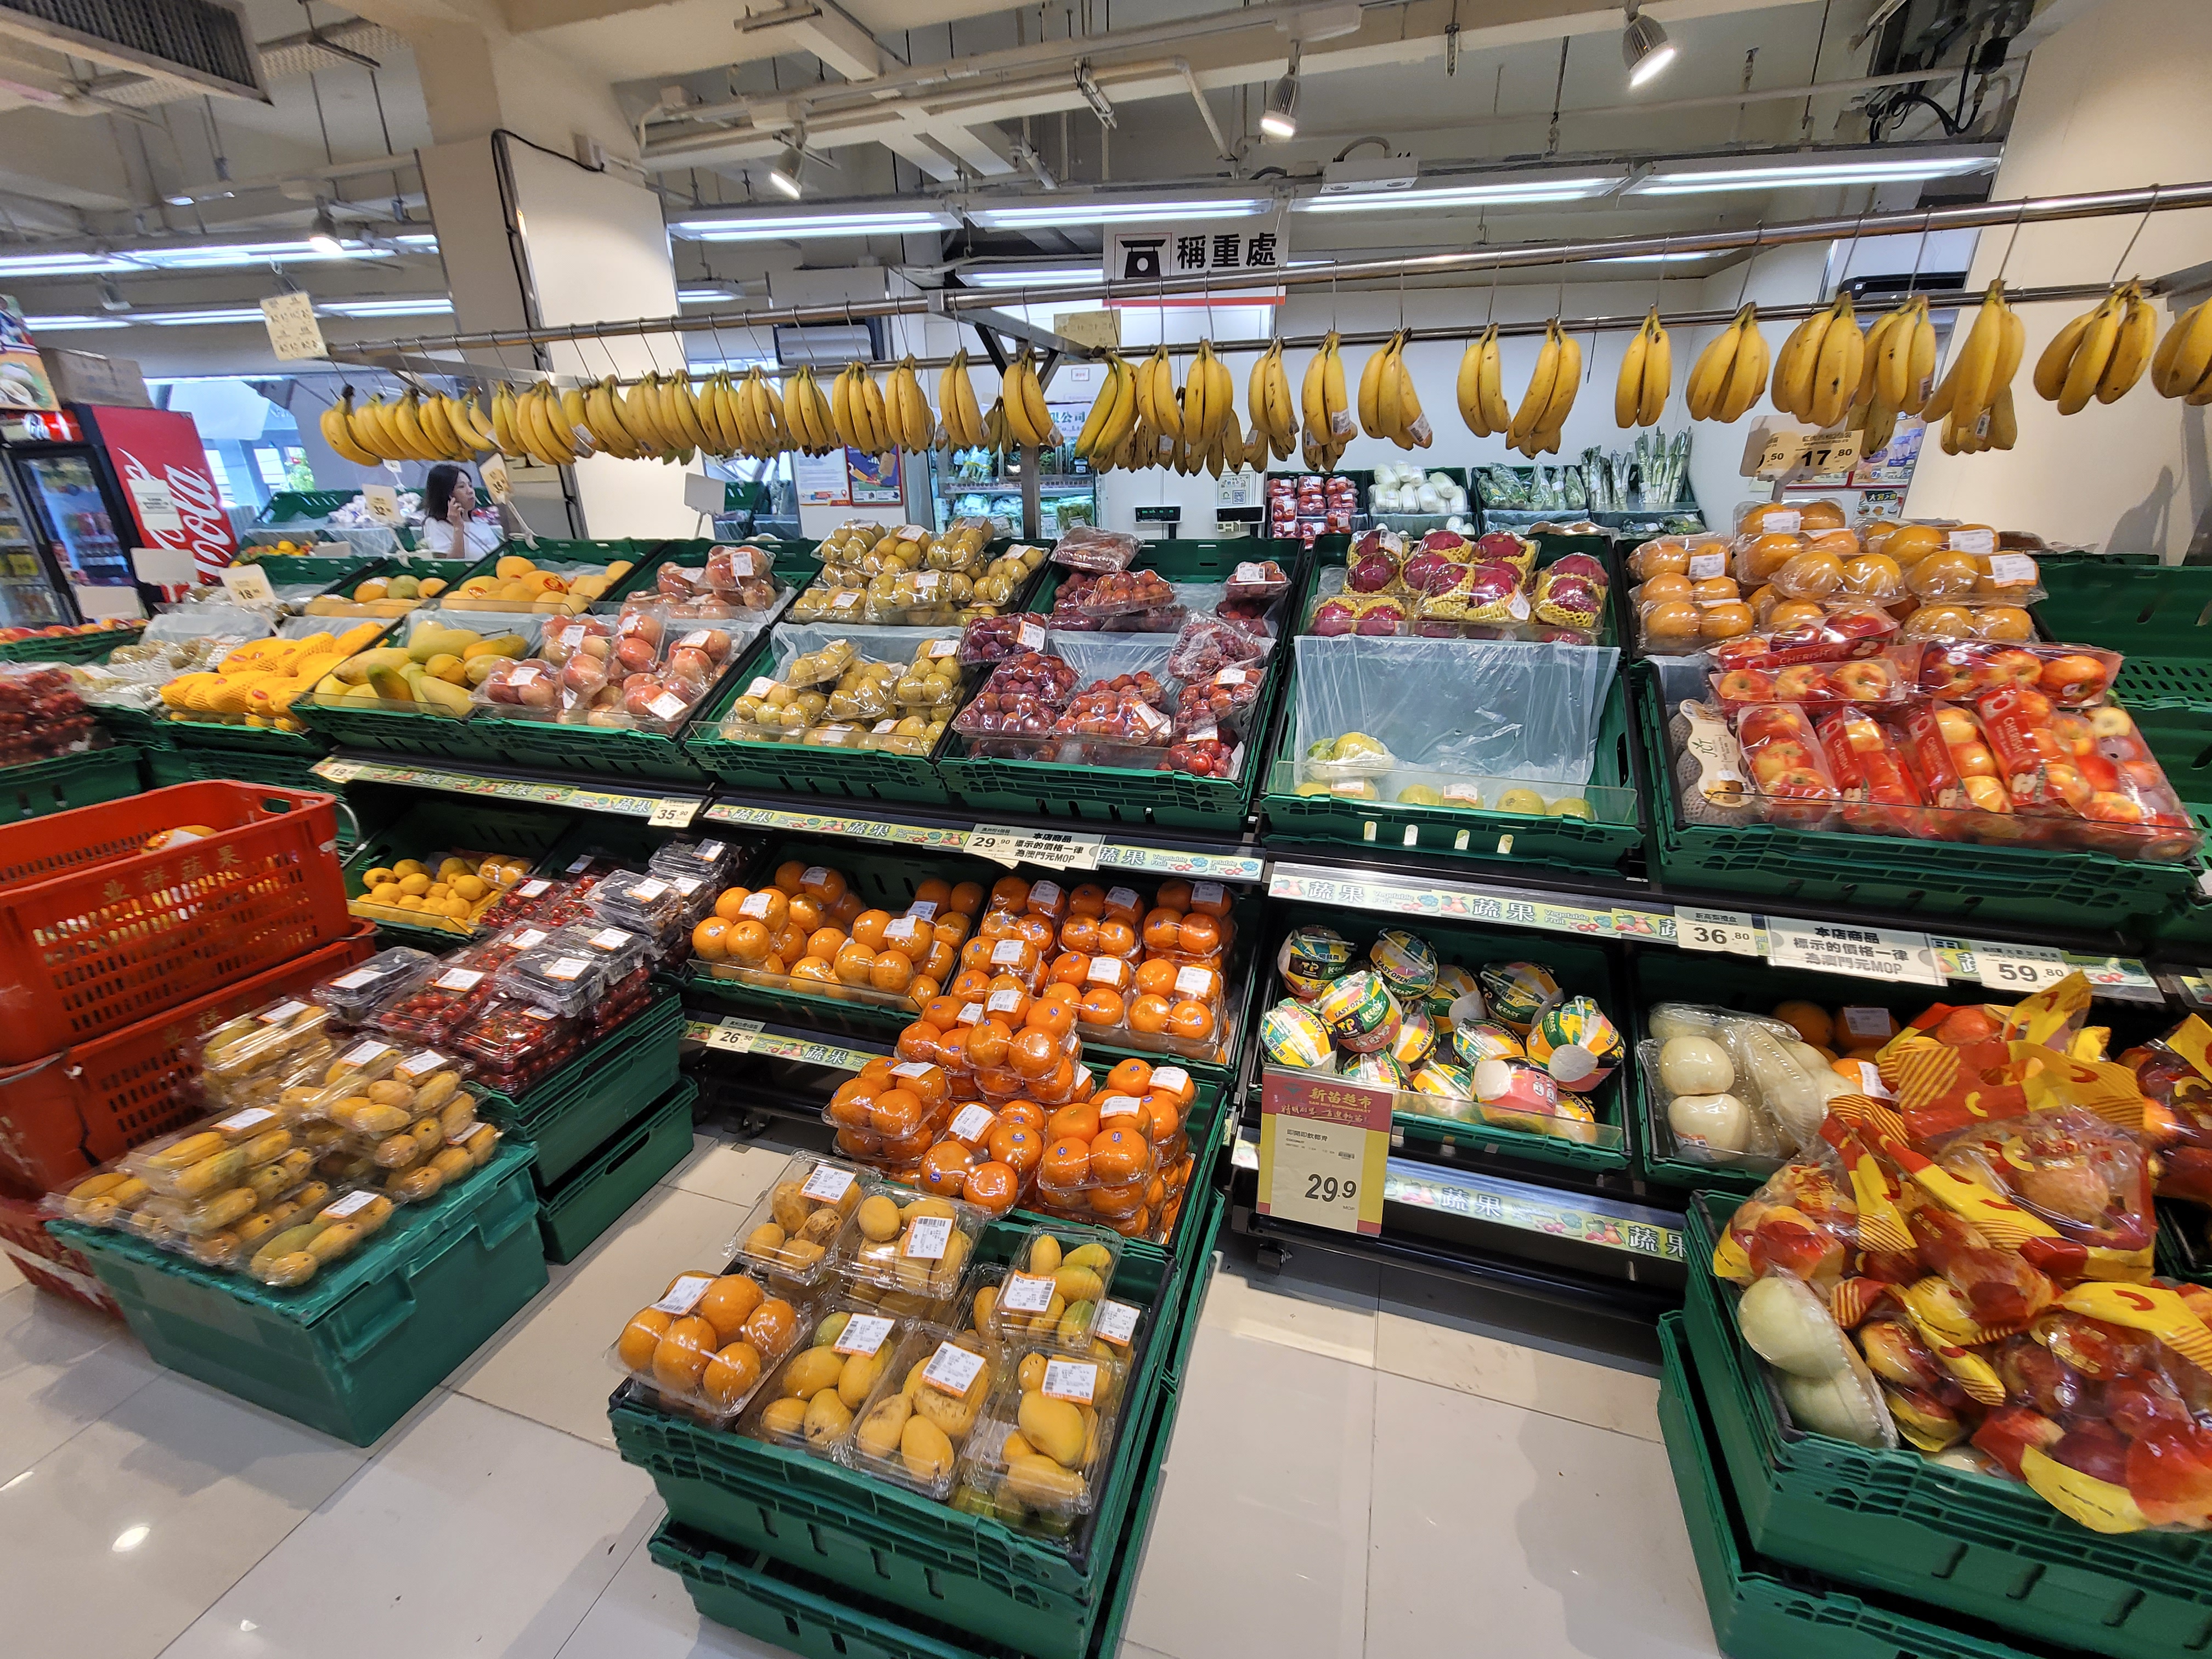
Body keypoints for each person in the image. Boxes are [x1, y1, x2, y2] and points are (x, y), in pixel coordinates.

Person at [417, 463, 506, 556]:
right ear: (447, 494)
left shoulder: (479, 522)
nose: (470, 491)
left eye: (470, 485)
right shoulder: (436, 524)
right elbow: (453, 561)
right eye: (462, 487)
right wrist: (458, 527)